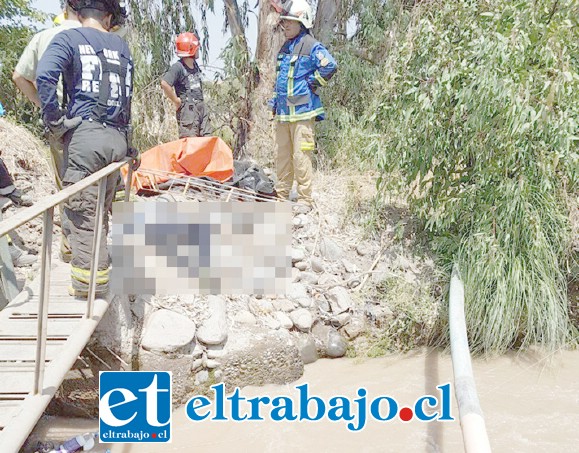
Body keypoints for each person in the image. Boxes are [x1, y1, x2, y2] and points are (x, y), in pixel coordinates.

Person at [36, 0, 136, 297]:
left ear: (78, 15)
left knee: (82, 211)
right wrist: (129, 144)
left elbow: (44, 77)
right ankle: (97, 272)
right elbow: (127, 97)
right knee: (101, 208)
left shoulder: (68, 37)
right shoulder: (122, 47)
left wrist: (54, 119)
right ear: (107, 18)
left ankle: (87, 286)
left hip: (86, 137)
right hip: (117, 139)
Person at [12, 0, 83, 263]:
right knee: (98, 185)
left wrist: (44, 105)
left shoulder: (43, 37)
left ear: (64, 8)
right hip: (91, 123)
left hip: (60, 123)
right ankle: (96, 245)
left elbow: (19, 76)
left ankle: (69, 248)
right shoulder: (97, 37)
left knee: (66, 185)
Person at [271, 0, 337, 212]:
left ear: (302, 21)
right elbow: (280, 79)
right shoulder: (284, 47)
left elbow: (330, 65)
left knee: (301, 157)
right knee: (283, 157)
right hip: (283, 115)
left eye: (290, 21)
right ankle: (281, 196)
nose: (285, 25)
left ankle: (304, 200)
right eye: (284, 22)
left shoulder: (311, 45)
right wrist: (274, 103)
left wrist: (312, 83)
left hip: (302, 114)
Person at [161, 32, 212, 139]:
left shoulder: (195, 65)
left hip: (201, 108)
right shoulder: (177, 67)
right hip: (188, 112)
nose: (198, 50)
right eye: (197, 48)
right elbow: (165, 83)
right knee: (190, 145)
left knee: (207, 140)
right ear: (191, 48)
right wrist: (176, 101)